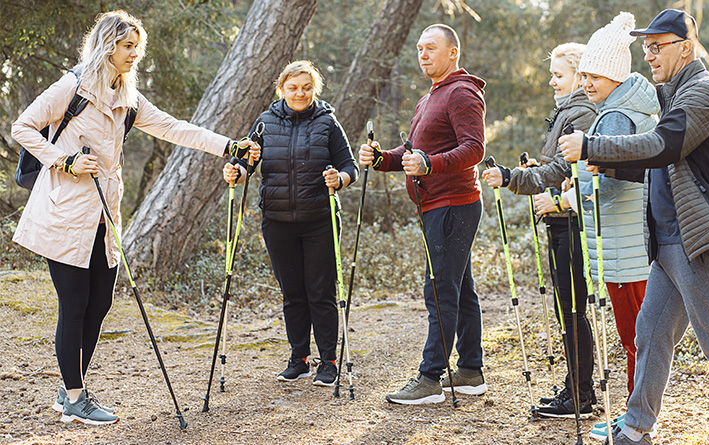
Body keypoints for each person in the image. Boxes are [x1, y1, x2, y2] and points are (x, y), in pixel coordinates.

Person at [10, 10, 258, 426]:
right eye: (128, 47)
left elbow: (177, 129)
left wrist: (229, 146)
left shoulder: (129, 98)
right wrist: (66, 161)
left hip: (104, 217)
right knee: (74, 305)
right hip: (64, 214)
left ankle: (71, 387)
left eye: (137, 49)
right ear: (107, 44)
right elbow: (23, 127)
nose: (134, 55)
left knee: (100, 303)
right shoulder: (72, 86)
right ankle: (74, 398)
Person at [559, 9, 709, 445]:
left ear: (685, 48)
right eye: (646, 47)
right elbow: (665, 168)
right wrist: (608, 165)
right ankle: (636, 428)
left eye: (658, 46)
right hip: (668, 240)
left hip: (699, 239)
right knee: (651, 333)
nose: (650, 55)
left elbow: (665, 146)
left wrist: (592, 145)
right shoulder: (673, 95)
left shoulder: (703, 92)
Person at [359, 24, 486, 405]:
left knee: (440, 289)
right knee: (460, 288)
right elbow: (413, 151)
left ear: (453, 53)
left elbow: (474, 148)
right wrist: (383, 159)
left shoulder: (461, 93)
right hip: (436, 205)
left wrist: (430, 165)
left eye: (431, 48)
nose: (423, 55)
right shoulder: (430, 97)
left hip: (454, 204)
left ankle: (430, 379)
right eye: (419, 49)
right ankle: (469, 371)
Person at [551, 12, 658, 439]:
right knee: (637, 335)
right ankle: (637, 414)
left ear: (615, 77)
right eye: (586, 75)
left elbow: (610, 184)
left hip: (624, 244)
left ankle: (635, 421)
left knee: (634, 337)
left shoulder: (616, 118)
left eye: (596, 76)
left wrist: (570, 195)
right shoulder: (619, 109)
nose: (587, 83)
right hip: (625, 240)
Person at [223, 60, 358, 388]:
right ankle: (299, 359)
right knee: (292, 293)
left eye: (307, 88)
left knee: (321, 292)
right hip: (278, 222)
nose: (300, 93)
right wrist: (236, 172)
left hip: (320, 222)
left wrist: (337, 179)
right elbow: (245, 163)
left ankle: (328, 361)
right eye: (293, 88)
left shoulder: (328, 122)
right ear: (281, 89)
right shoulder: (265, 123)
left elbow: (349, 166)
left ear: (315, 89)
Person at [483, 42, 597, 418]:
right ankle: (574, 387)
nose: (551, 81)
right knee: (569, 310)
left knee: (573, 310)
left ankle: (580, 396)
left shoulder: (580, 111)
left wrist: (513, 176)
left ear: (580, 76)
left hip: (572, 223)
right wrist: (536, 169)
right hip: (561, 221)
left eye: (558, 74)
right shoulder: (568, 109)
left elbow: (565, 172)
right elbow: (554, 166)